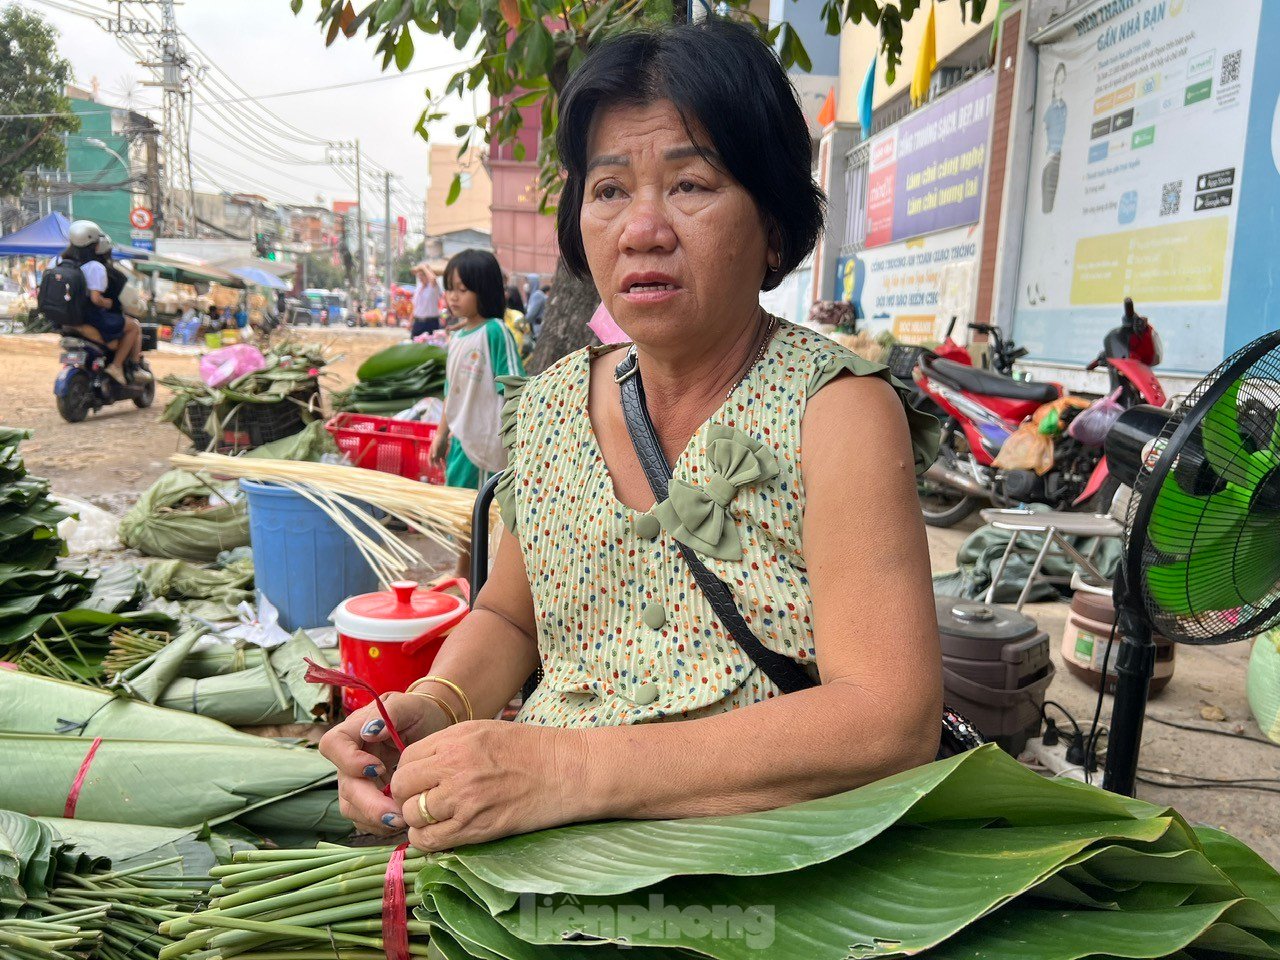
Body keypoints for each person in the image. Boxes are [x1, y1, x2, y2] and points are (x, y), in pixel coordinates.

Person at [322, 20, 942, 848]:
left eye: (691, 185)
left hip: (760, 862)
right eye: (609, 190)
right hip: (536, 842)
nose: (642, 228)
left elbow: (886, 719)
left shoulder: (835, 411)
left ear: (777, 228)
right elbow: (511, 619)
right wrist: (433, 708)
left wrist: (571, 770)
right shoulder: (546, 408)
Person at [426, 249, 524, 494]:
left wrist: (520, 446)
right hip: (460, 443)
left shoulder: (495, 331)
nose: (453, 297)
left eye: (462, 289)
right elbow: (452, 393)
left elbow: (516, 389)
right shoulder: (457, 337)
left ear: (484, 290)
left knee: (479, 517)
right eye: (449, 289)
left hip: (485, 446)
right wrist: (441, 435)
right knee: (457, 510)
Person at [56, 221, 146, 385]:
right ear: (96, 246)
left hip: (64, 320)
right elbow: (96, 299)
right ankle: (117, 366)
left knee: (114, 340)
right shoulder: (96, 267)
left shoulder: (60, 263)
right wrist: (109, 304)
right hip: (92, 318)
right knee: (133, 326)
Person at [1041, 61, 1068, 214]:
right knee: (1046, 206)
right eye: (1058, 82)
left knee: (1052, 207)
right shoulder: (1050, 110)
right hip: (1049, 159)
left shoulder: (1065, 107)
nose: (1060, 87)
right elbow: (1043, 132)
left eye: (1062, 82)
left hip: (1058, 158)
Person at [410, 263, 442, 337]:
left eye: (423, 275)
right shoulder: (418, 288)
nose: (420, 277)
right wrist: (410, 322)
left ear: (427, 275)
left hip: (431, 323)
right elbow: (415, 307)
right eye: (419, 275)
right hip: (418, 322)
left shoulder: (433, 287)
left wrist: (424, 267)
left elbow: (433, 279)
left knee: (430, 346)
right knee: (415, 346)